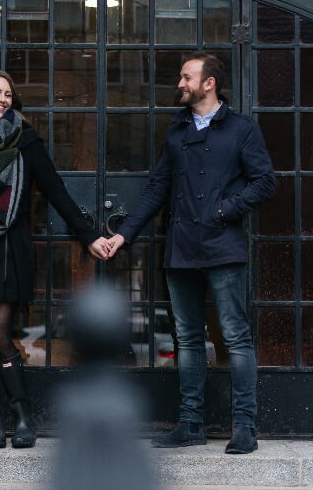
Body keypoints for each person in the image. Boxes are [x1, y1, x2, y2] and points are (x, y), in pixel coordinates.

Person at [107, 52, 275, 454]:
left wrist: (224, 209)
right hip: (181, 248)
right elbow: (156, 190)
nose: (180, 83)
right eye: (182, 77)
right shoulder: (177, 131)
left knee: (235, 337)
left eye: (186, 77)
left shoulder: (241, 129)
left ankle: (245, 427)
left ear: (209, 83)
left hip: (223, 247)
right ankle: (190, 424)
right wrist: (124, 235)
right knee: (187, 339)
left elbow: (265, 182)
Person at [0, 69, 111, 449]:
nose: (2, 99)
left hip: (6, 249)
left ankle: (22, 417)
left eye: (8, 95)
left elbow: (56, 191)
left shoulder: (25, 141)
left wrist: (90, 234)